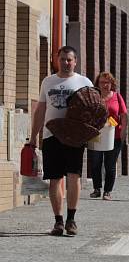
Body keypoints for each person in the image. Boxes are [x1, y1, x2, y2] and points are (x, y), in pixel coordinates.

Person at [29, 46, 93, 236]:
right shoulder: (48, 82)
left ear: (75, 61)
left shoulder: (84, 82)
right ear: (57, 60)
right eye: (63, 59)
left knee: (73, 175)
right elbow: (40, 111)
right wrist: (33, 137)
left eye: (69, 60)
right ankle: (58, 221)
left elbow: (95, 109)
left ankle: (71, 220)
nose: (66, 63)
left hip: (75, 136)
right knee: (54, 179)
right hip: (52, 135)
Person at [88, 72, 128, 201]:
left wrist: (123, 131)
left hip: (114, 135)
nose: (105, 85)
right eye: (102, 82)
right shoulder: (94, 96)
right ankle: (97, 189)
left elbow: (123, 115)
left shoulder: (117, 96)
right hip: (96, 135)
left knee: (110, 165)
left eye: (107, 82)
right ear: (97, 84)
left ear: (112, 84)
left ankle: (107, 191)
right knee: (95, 163)